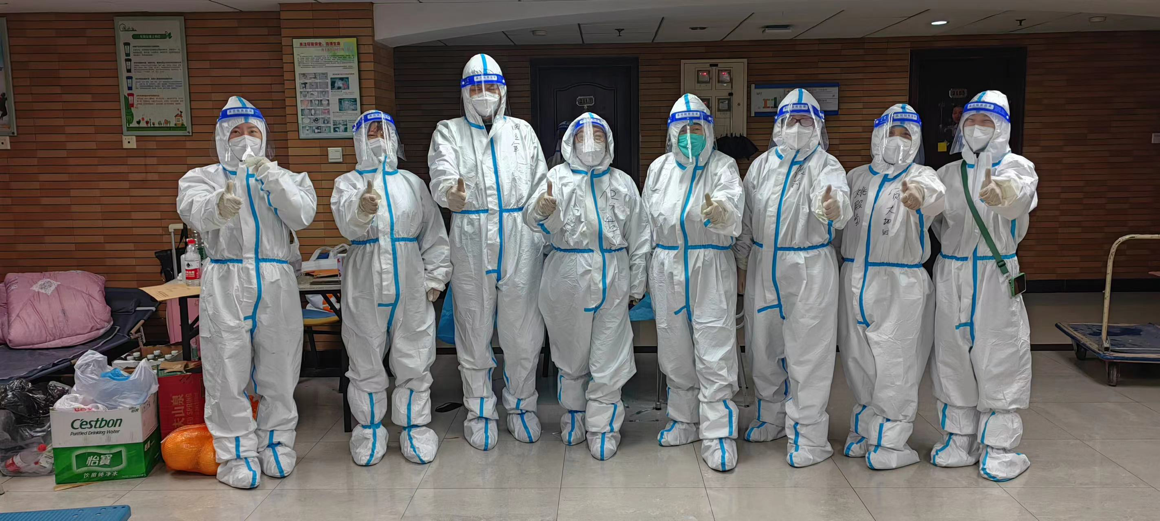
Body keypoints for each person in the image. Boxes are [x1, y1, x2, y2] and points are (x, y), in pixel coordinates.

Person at [177, 96, 317, 489]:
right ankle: (235, 455)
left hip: (275, 279)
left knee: (279, 368)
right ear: (222, 137)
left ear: (264, 136)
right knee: (226, 370)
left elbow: (301, 215)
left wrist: (271, 177)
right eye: (235, 132)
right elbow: (193, 210)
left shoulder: (286, 176)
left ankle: (277, 443)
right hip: (226, 278)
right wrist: (218, 206)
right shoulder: (201, 178)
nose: (244, 138)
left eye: (252, 131)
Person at [427, 54, 549, 450]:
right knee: (474, 329)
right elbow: (441, 173)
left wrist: (542, 210)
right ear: (465, 92)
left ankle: (521, 406)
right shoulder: (449, 131)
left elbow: (539, 183)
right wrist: (450, 193)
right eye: (476, 88)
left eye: (491, 87)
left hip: (519, 237)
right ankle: (479, 411)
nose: (484, 94)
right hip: (471, 236)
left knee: (523, 333)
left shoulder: (521, 132)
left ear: (503, 91)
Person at [733, 88, 852, 468]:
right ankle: (771, 416)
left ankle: (810, 436)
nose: (797, 127)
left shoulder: (827, 165)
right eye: (789, 120)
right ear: (778, 125)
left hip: (809, 266)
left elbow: (840, 205)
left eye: (804, 120)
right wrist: (742, 264)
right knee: (762, 345)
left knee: (809, 351)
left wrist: (834, 207)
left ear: (818, 125)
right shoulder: (761, 166)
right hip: (763, 263)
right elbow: (746, 219)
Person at [523, 112, 650, 461]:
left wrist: (636, 285)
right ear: (570, 142)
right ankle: (575, 416)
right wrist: (543, 210)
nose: (590, 143)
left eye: (598, 136)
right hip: (567, 275)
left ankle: (604, 427)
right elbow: (533, 222)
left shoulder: (622, 183)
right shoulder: (556, 178)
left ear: (609, 141)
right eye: (582, 136)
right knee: (570, 354)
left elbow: (640, 235)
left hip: (613, 276)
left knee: (609, 355)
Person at [330, 110, 452, 466]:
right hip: (364, 280)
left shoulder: (413, 183)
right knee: (364, 356)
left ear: (395, 139)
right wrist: (361, 210)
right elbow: (347, 226)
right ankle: (368, 430)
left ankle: (415, 428)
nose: (378, 138)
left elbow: (433, 233)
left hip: (410, 278)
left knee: (415, 356)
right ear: (358, 139)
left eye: (384, 131)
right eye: (370, 132)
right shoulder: (347, 183)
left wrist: (435, 277)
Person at [929, 90, 1038, 481]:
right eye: (971, 121)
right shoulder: (947, 174)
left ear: (1002, 127)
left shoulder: (1017, 167)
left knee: (999, 354)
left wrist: (1003, 194)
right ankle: (959, 439)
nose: (976, 129)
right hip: (952, 270)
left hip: (996, 272)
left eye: (986, 122)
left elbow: (1020, 199)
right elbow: (936, 221)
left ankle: (999, 447)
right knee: (952, 355)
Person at [837, 104, 946, 470]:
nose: (897, 140)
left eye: (905, 134)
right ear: (876, 136)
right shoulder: (856, 177)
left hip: (900, 280)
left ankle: (892, 440)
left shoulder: (922, 175)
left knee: (896, 360)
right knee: (857, 356)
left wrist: (919, 199)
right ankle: (866, 428)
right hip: (854, 275)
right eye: (891, 133)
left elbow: (935, 196)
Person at [645, 94, 744, 471]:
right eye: (683, 128)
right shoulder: (659, 169)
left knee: (714, 345)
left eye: (696, 128)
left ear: (709, 130)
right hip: (667, 263)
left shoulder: (723, 165)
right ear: (672, 132)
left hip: (710, 261)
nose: (690, 135)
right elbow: (646, 221)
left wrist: (720, 214)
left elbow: (732, 205)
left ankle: (718, 432)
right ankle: (684, 419)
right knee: (674, 346)